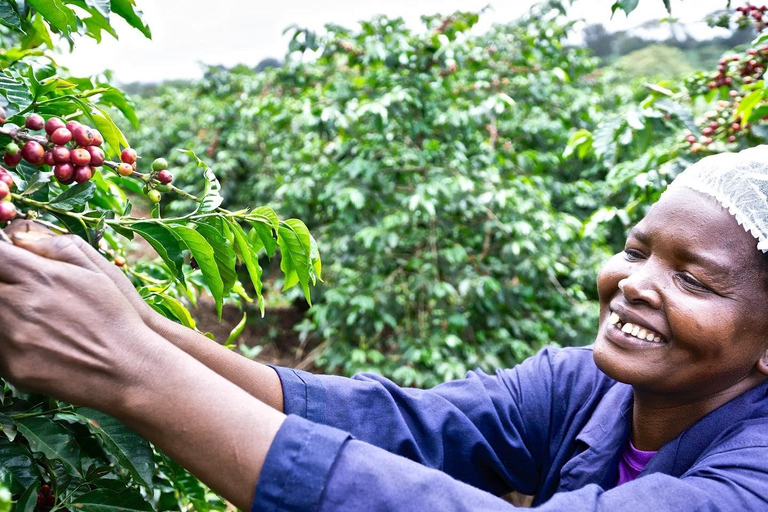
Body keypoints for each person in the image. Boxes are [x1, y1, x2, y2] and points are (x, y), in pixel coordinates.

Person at [0, 146, 767, 512]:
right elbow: (398, 427)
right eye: (635, 250)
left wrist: (132, 371)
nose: (632, 284)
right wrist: (140, 324)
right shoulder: (585, 384)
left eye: (692, 279)